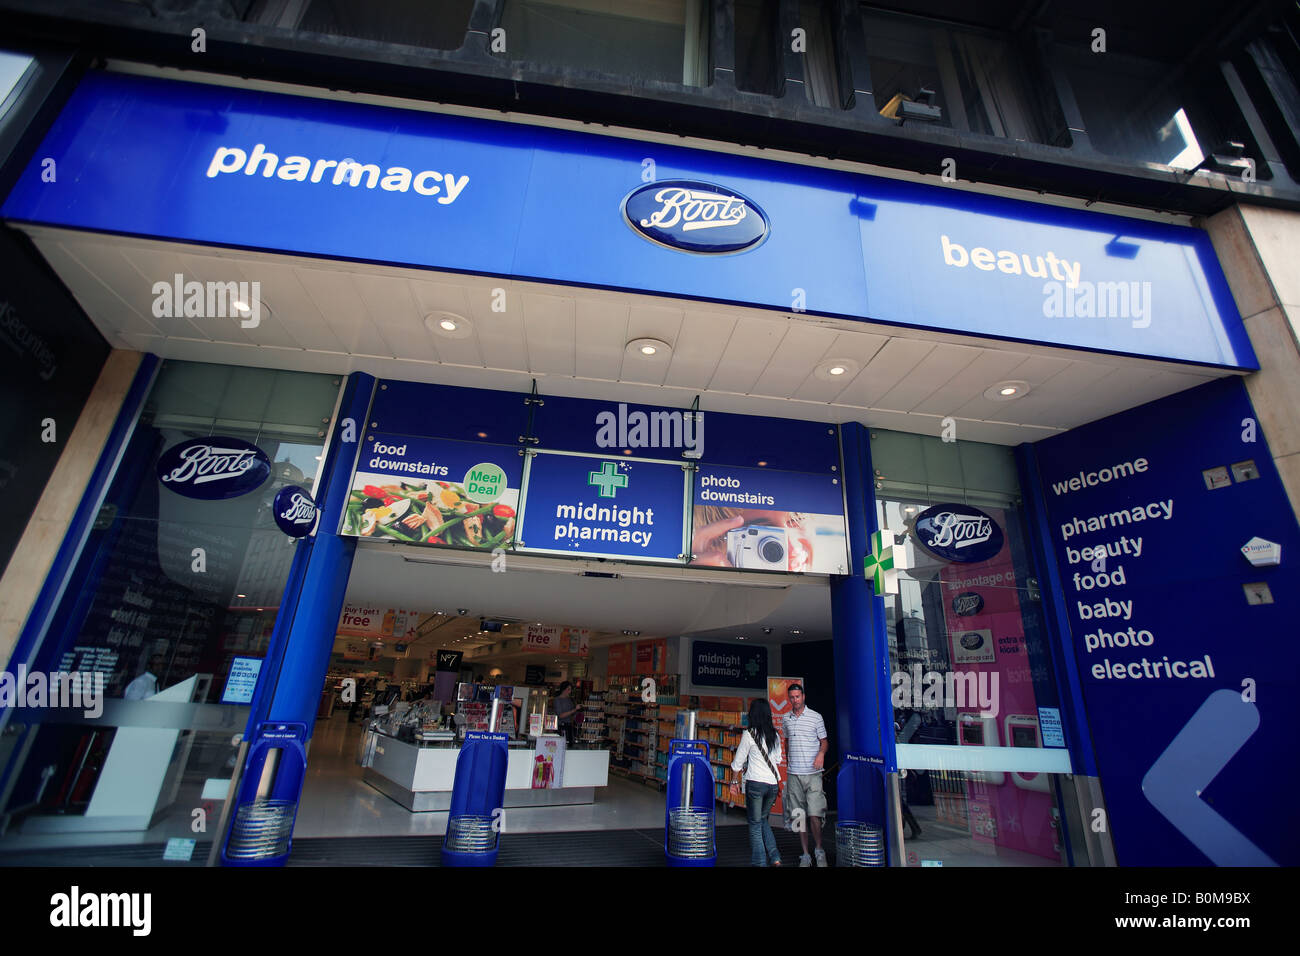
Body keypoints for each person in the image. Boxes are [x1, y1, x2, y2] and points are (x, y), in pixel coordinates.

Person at [730, 697, 783, 867]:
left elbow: (738, 762)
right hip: (772, 785)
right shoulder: (775, 735)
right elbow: (778, 759)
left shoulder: (749, 734)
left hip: (755, 784)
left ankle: (760, 863)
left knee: (754, 824)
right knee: (762, 820)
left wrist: (734, 782)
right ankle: (775, 857)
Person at [782, 683, 829, 866]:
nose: (795, 700)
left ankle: (819, 849)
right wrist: (788, 763)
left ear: (804, 696)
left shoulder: (816, 717)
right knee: (798, 815)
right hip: (794, 773)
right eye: (792, 697)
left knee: (815, 813)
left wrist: (821, 754)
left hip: (813, 773)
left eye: (797, 697)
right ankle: (805, 854)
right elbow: (786, 742)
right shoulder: (786, 718)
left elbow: (824, 742)